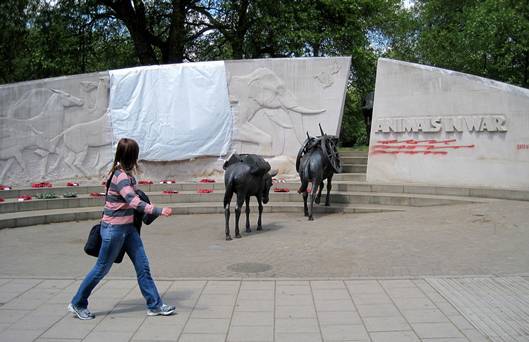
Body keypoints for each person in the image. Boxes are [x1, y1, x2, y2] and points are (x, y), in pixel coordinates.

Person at [68, 138, 174, 320]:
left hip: (128, 230)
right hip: (114, 231)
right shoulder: (121, 177)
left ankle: (154, 305)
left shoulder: (125, 174)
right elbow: (133, 201)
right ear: (132, 156)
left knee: (143, 267)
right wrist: (158, 210)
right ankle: (77, 303)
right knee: (101, 268)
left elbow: (132, 200)